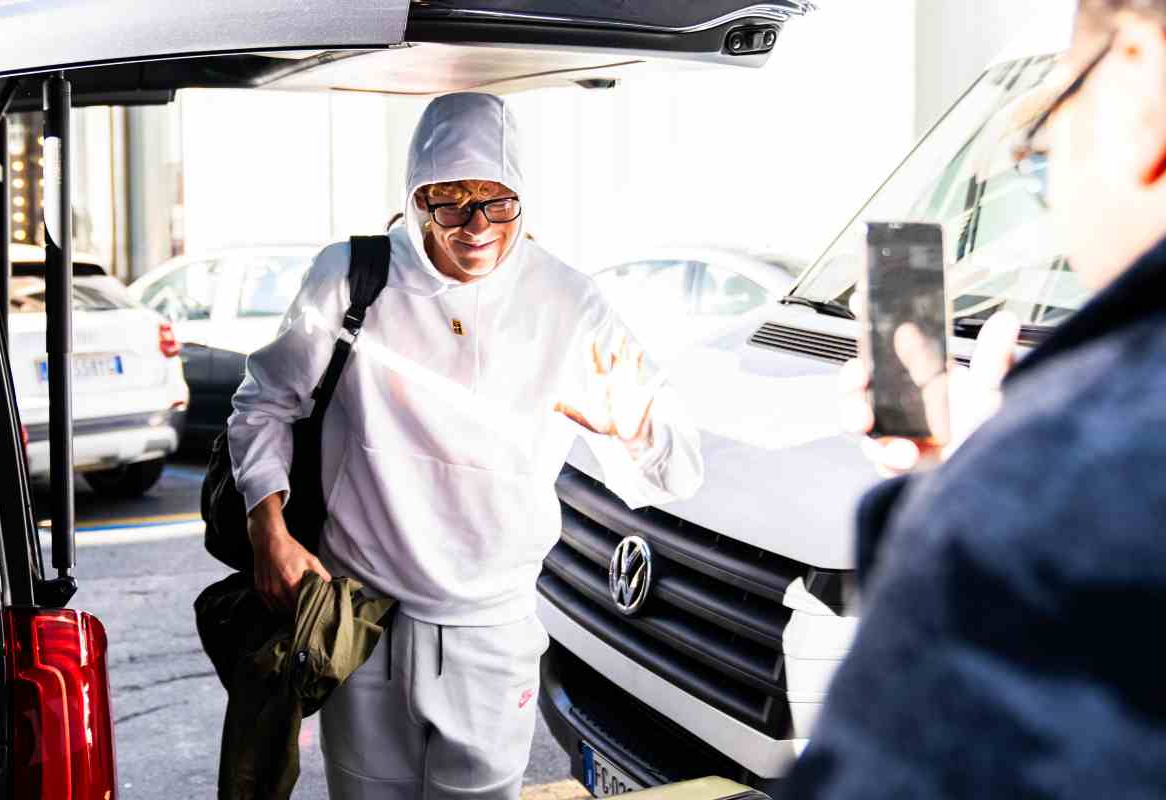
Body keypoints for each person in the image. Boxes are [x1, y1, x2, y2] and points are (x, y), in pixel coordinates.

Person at [226, 91, 703, 800]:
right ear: (415, 200)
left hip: (491, 630)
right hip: (364, 618)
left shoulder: (568, 301)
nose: (477, 225)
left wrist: (630, 424)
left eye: (497, 201)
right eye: (449, 201)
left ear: (522, 199)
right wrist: (268, 530)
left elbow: (679, 469)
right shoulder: (354, 277)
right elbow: (265, 400)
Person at [777, 1, 1166, 796]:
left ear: (1139, 82)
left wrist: (974, 488)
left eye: (1042, 138)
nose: (1051, 182)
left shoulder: (1046, 495)